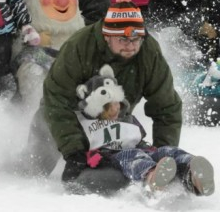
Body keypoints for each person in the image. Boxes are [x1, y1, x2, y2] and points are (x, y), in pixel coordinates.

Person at [21, 0, 183, 178]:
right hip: (68, 117)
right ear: (107, 36)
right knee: (33, 170)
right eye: (123, 39)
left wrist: (163, 152)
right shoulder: (79, 46)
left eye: (136, 39)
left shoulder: (148, 52)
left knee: (122, 167)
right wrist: (73, 152)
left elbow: (166, 106)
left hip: (114, 119)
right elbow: (55, 100)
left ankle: (155, 172)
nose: (130, 45)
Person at [73, 65, 214, 195]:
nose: (115, 109)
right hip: (114, 156)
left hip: (141, 150)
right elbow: (81, 146)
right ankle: (152, 178)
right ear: (96, 109)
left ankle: (193, 171)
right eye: (108, 107)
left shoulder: (127, 120)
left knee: (167, 151)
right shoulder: (89, 124)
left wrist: (150, 149)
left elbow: (138, 140)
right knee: (133, 156)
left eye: (117, 103)